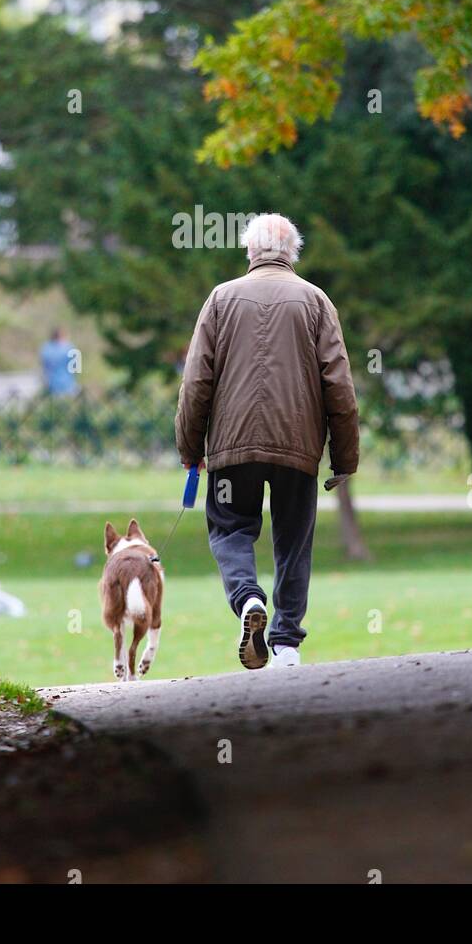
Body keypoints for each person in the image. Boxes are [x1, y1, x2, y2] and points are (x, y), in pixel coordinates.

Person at [175, 213, 359, 670]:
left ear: (250, 252)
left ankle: (247, 598)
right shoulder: (316, 301)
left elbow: (196, 381)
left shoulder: (220, 299)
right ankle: (286, 643)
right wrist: (344, 457)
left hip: (231, 447)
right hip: (298, 444)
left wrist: (189, 446)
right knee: (294, 539)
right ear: (292, 252)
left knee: (230, 527)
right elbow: (338, 384)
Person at [40, 327, 78, 397]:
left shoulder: (46, 348)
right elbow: (76, 369)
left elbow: (44, 367)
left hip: (52, 384)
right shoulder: (70, 347)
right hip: (68, 383)